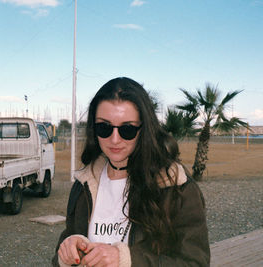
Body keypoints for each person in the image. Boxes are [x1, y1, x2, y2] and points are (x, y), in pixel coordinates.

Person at [52, 77, 210, 266]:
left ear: (144, 129)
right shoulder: (85, 182)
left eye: (127, 129)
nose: (115, 139)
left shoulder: (174, 185)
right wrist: (66, 254)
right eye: (104, 127)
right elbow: (62, 252)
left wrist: (126, 259)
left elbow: (196, 262)